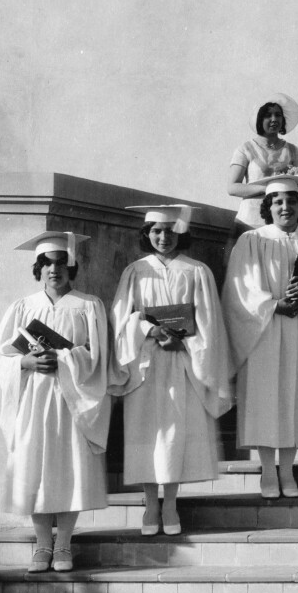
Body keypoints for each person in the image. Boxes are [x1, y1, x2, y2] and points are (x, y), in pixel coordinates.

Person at [0, 232, 113, 573]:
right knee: (35, 468)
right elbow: (0, 354)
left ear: (70, 266)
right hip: (33, 397)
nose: (53, 270)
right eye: (46, 263)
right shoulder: (23, 307)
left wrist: (65, 359)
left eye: (60, 263)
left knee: (68, 468)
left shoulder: (87, 305)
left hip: (71, 398)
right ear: (38, 268)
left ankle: (64, 546)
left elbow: (98, 356)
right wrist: (26, 363)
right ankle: (42, 545)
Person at [222, 174, 298, 499]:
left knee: (295, 397)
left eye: (291, 201)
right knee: (266, 398)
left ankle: (287, 472)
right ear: (268, 206)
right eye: (278, 201)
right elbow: (239, 288)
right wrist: (273, 304)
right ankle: (267, 471)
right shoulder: (253, 240)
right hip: (264, 330)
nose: (285, 206)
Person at [111, 203, 229, 536]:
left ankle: (171, 504)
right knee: (145, 433)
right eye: (157, 231)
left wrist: (186, 343)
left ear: (181, 232)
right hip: (146, 362)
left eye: (169, 231)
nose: (164, 237)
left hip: (183, 362)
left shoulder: (196, 271)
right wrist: (149, 330)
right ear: (147, 234)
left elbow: (209, 322)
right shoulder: (136, 271)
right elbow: (121, 318)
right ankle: (150, 505)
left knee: (175, 433)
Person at [225, 95, 298, 229]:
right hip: (251, 221)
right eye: (268, 115)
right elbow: (232, 187)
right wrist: (269, 188)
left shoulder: (293, 150)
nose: (274, 119)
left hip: (283, 221)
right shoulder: (245, 149)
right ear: (259, 119)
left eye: (278, 115)